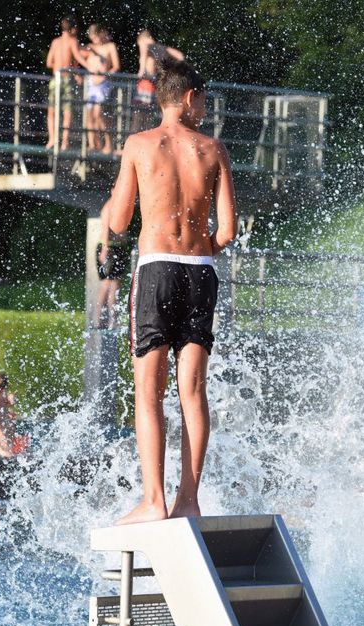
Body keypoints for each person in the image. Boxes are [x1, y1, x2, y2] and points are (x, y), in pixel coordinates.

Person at [108, 57, 236, 524]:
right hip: (201, 271)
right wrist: (200, 250)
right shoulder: (213, 149)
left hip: (157, 268)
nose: (204, 107)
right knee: (193, 391)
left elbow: (120, 222)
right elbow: (228, 230)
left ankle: (153, 501)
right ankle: (189, 501)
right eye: (202, 99)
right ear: (188, 98)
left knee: (148, 389)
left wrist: (112, 219)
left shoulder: (140, 145)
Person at [77, 24, 120, 154]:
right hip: (91, 84)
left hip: (103, 84)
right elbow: (75, 55)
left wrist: (106, 75)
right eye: (92, 37)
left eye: (96, 37)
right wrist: (78, 73)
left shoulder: (110, 46)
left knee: (99, 114)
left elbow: (116, 66)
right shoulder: (90, 47)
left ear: (102, 33)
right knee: (89, 115)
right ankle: (94, 144)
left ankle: (108, 143)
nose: (95, 40)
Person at [132, 30, 184, 131]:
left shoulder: (145, 45)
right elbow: (180, 56)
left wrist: (141, 71)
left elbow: (143, 57)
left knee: (139, 114)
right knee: (150, 115)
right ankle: (149, 137)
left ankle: (137, 137)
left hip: (146, 84)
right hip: (156, 85)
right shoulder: (162, 48)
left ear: (142, 40)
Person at [45, 16, 83, 149]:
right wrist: (87, 68)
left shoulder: (55, 42)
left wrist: (59, 65)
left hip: (55, 79)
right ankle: (65, 142)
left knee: (52, 110)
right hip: (67, 79)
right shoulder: (73, 41)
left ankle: (52, 139)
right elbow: (78, 57)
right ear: (73, 29)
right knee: (67, 111)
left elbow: (49, 62)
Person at [95, 197, 129, 328]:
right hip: (109, 248)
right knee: (111, 285)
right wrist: (105, 249)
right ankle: (110, 321)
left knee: (110, 284)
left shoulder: (117, 204)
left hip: (114, 248)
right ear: (113, 189)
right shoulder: (110, 206)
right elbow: (105, 229)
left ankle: (102, 321)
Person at [0, 372, 28, 457]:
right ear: (4, 387)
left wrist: (10, 400)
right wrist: (0, 451)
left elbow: (4, 407)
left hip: (6, 446)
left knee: (11, 415)